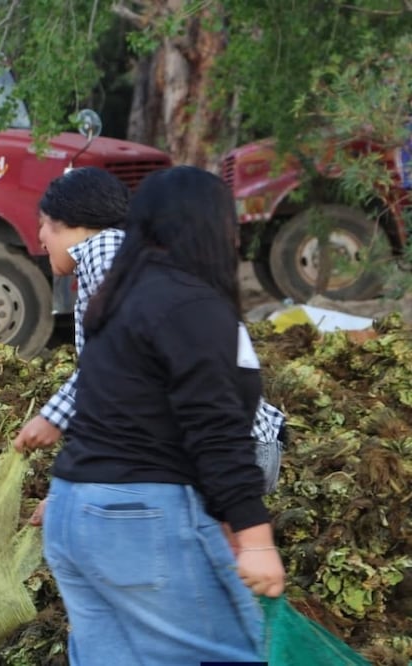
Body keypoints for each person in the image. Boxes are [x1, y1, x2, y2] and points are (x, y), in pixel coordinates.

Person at [35, 166, 285, 664]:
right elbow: (216, 431)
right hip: (139, 518)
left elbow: (111, 409)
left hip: (74, 514)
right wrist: (255, 539)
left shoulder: (117, 300)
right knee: (227, 657)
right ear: (210, 227)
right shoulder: (191, 304)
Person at [14, 167, 287, 524]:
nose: (40, 238)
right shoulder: (130, 261)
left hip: (224, 456)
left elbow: (115, 362)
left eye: (45, 223)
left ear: (73, 223)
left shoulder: (104, 251)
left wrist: (55, 422)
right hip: (237, 452)